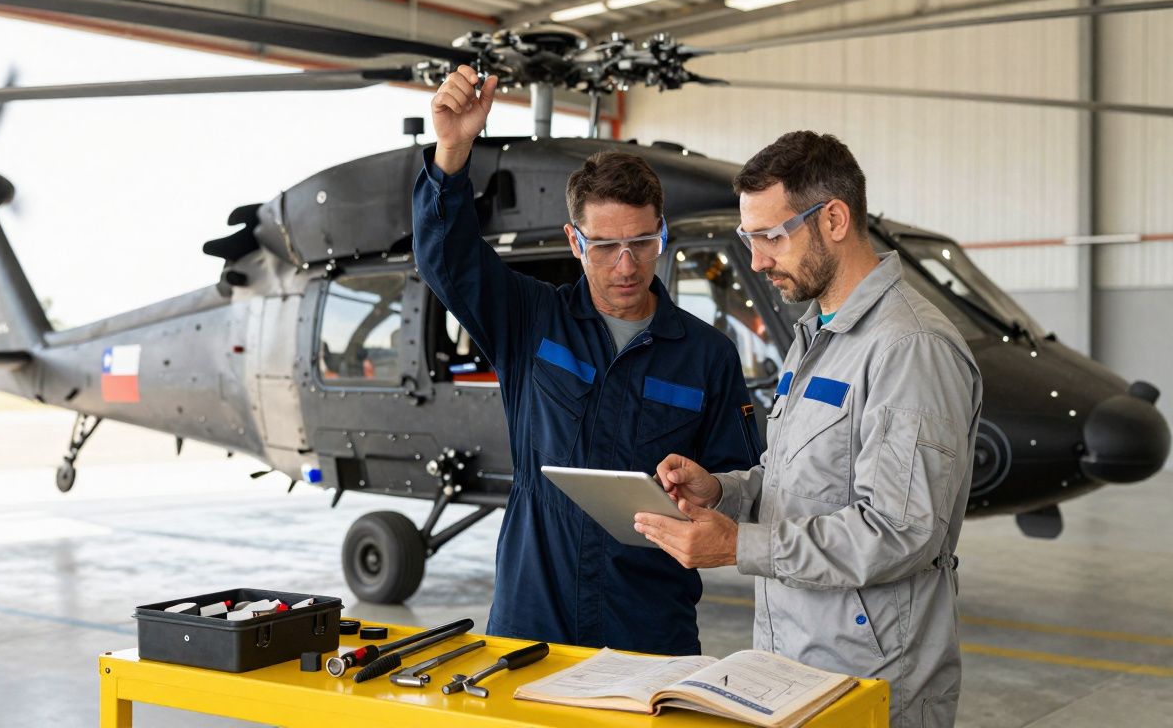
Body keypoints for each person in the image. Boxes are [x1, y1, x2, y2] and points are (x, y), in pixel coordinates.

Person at [633, 131, 982, 727]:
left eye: (771, 236)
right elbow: (791, 480)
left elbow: (899, 531)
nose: (758, 260)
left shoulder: (908, 348)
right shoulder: (814, 337)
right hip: (792, 662)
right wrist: (721, 492)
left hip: (874, 682)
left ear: (835, 219)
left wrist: (738, 545)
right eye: (751, 239)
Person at [412, 65, 761, 655]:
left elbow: (741, 482)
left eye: (642, 243)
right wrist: (452, 149)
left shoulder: (708, 357)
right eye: (604, 246)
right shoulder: (530, 320)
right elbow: (446, 261)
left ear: (662, 235)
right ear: (575, 243)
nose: (626, 265)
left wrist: (710, 490)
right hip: (532, 617)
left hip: (649, 626)